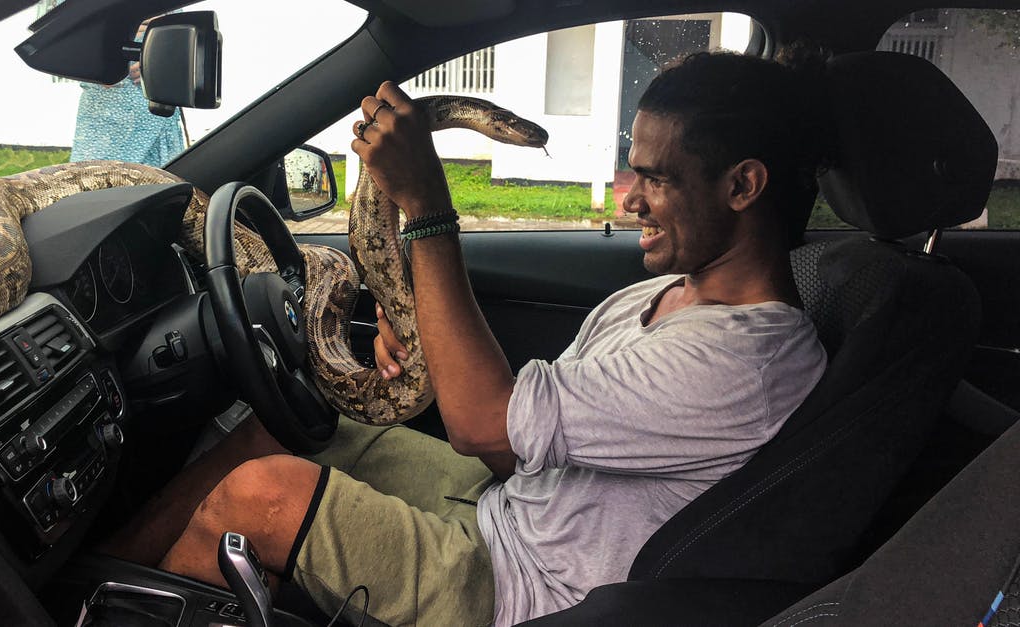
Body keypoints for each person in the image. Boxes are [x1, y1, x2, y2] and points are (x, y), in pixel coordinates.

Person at [130, 50, 831, 626]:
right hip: (505, 506)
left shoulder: (745, 360)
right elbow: (509, 443)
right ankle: (85, 574)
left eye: (656, 179)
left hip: (519, 589)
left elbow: (480, 419)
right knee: (288, 425)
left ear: (743, 186)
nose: (631, 199)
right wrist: (416, 345)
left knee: (259, 496)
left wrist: (428, 208)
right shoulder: (661, 294)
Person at [68, 25, 185, 166]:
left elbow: (181, 41)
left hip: (160, 111)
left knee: (165, 182)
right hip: (105, 117)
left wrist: (157, 58)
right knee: (93, 180)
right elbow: (74, 39)